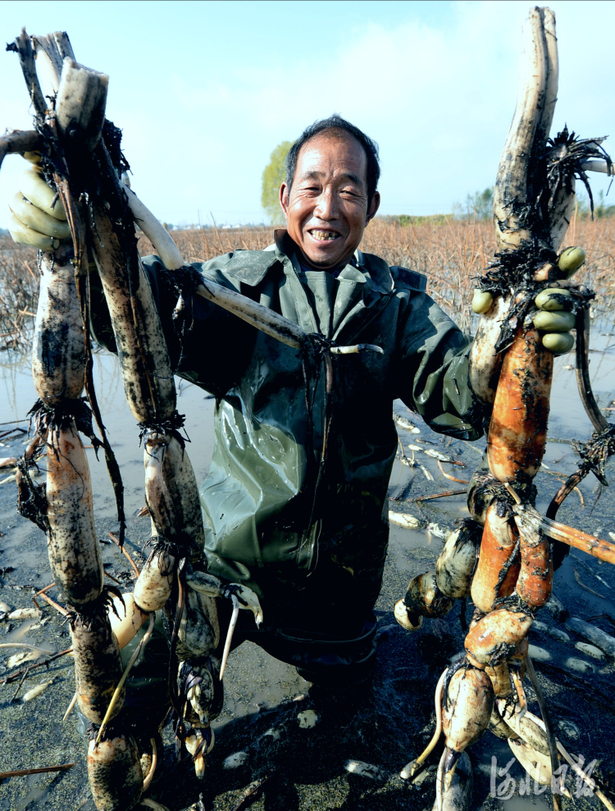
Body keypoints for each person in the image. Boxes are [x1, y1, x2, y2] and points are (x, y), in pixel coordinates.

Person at [7, 115, 572, 691]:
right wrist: (76, 242)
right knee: (146, 685)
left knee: (351, 697)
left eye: (348, 190)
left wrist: (514, 339)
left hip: (340, 596)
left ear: (371, 205)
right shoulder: (235, 288)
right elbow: (131, 316)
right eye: (312, 187)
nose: (327, 207)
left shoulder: (402, 307)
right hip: (228, 574)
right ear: (286, 198)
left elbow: (464, 400)